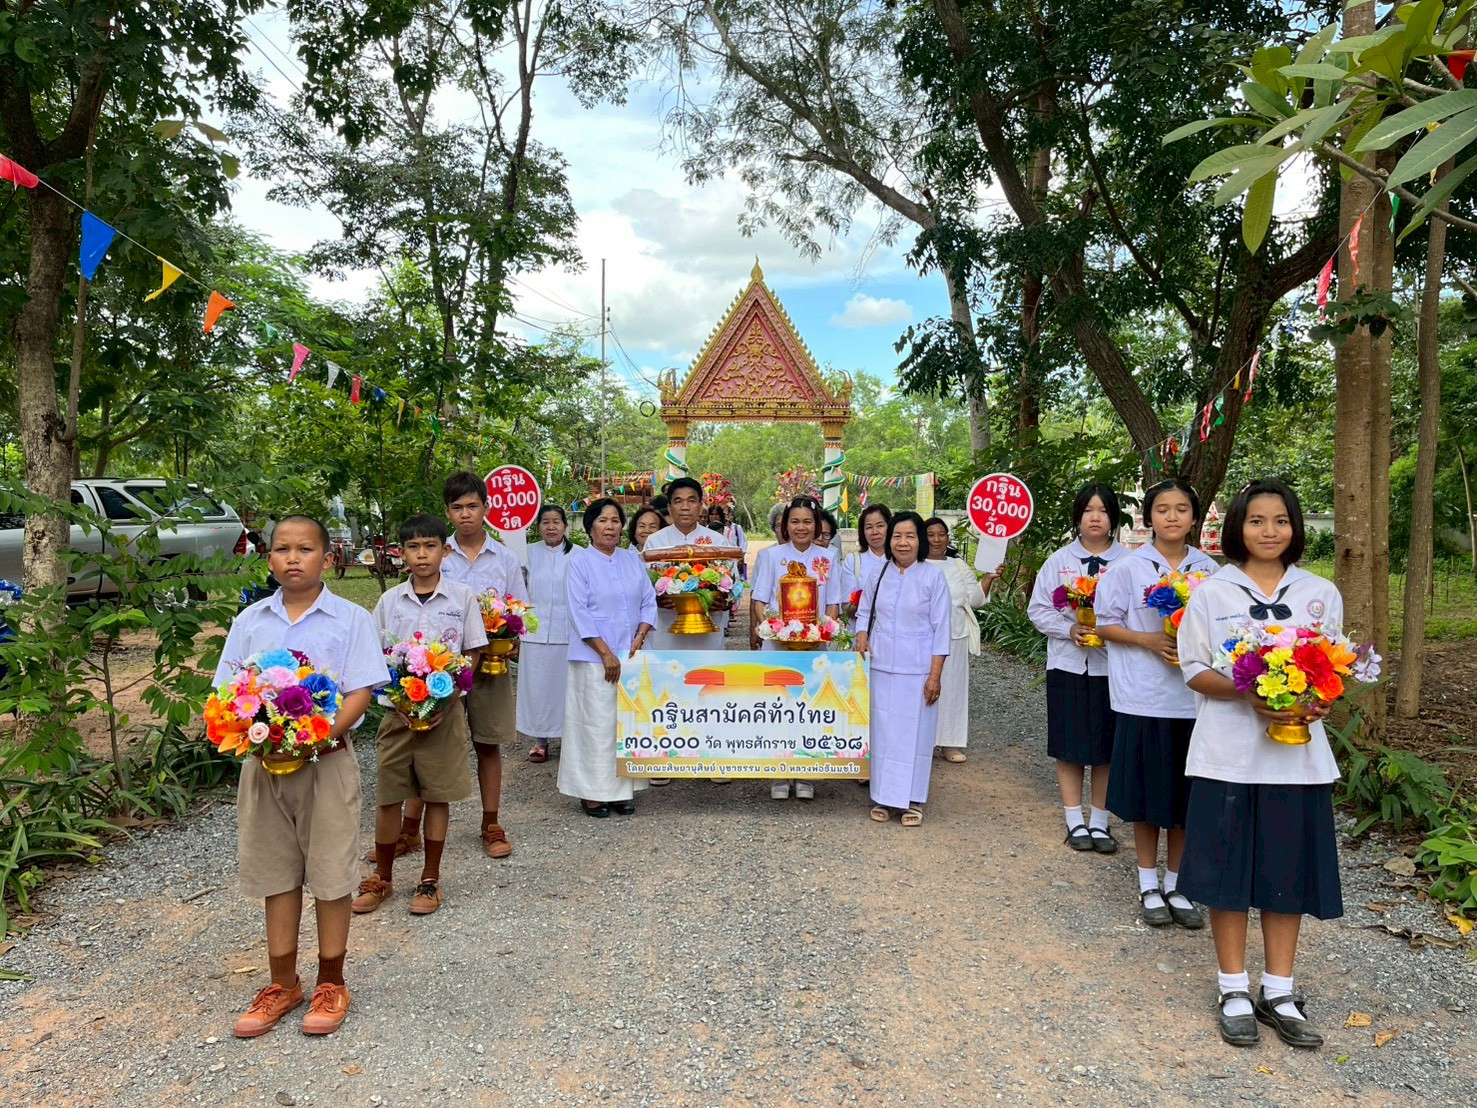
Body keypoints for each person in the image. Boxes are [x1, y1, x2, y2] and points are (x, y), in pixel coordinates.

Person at [1176, 479, 1344, 1050]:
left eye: (1280, 520)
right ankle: (1233, 988)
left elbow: (1332, 668)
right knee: (1226, 875)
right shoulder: (1213, 593)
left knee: (1285, 874)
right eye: (1256, 521)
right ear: (1237, 528)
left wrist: (1319, 698)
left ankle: (1279, 991)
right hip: (1227, 757)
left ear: (1295, 527)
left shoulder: (1320, 592)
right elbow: (1194, 670)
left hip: (1296, 760)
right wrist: (1248, 692)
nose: (1269, 531)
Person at [219, 515, 390, 1039]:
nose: (293, 558)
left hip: (325, 761)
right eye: (282, 549)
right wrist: (252, 730)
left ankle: (331, 981)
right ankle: (282, 983)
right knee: (276, 872)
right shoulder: (251, 621)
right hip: (264, 764)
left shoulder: (350, 619)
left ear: (327, 557)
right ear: (268, 558)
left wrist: (316, 735)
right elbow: (227, 691)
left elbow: (360, 691)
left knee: (332, 872)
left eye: (306, 549)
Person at [1094, 479, 1218, 930]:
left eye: (1181, 509)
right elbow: (1104, 625)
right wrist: (1149, 640)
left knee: (1184, 799)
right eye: (1162, 509)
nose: (1172, 516)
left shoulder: (1210, 571)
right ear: (1148, 517)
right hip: (1144, 697)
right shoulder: (1128, 568)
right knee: (1147, 796)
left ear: (1194, 517)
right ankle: (1148, 882)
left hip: (1193, 700)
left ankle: (1177, 883)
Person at [353, 516, 485, 919]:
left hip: (444, 716)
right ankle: (382, 877)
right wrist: (394, 699)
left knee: (437, 793)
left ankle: (430, 877)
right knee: (390, 795)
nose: (422, 554)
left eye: (430, 546)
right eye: (413, 547)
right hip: (397, 716)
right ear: (402, 554)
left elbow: (473, 652)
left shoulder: (462, 598)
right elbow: (373, 656)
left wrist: (451, 698)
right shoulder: (390, 602)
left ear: (445, 550)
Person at [1027, 483, 1128, 854]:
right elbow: (1038, 609)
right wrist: (1068, 629)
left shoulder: (1129, 563)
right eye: (1087, 510)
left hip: (1113, 668)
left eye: (1102, 510)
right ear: (1078, 517)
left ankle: (1100, 821)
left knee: (1106, 746)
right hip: (1068, 664)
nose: (1095, 517)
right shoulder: (1059, 561)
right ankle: (1074, 820)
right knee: (1069, 744)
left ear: (1113, 517)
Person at [438, 469, 528, 860]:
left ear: (486, 508)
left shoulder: (504, 557)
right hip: (442, 667)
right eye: (457, 507)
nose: (465, 514)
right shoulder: (438, 554)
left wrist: (511, 639)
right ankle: (409, 828)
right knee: (431, 744)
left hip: (491, 663)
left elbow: (520, 608)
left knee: (487, 743)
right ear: (447, 512)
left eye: (472, 506)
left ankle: (491, 823)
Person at [558, 499, 657, 817]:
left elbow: (648, 600)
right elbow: (579, 612)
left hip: (632, 655)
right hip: (593, 659)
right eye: (603, 520)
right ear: (590, 527)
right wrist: (606, 653)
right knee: (596, 726)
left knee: (628, 724)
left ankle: (622, 791)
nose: (610, 526)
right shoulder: (579, 563)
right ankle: (593, 793)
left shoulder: (632, 560)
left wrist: (641, 635)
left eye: (615, 520)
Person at [857, 511, 951, 826]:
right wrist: (861, 636)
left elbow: (942, 629)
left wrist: (935, 676)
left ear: (919, 540)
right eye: (897, 536)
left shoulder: (932, 576)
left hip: (918, 671)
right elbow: (864, 612)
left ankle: (912, 800)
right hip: (881, 666)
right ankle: (883, 797)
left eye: (910, 536)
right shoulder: (879, 572)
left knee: (915, 736)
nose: (903, 542)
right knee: (883, 734)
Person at [749, 496, 842, 800]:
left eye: (807, 522)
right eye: (795, 521)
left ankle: (806, 774)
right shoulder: (771, 556)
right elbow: (760, 600)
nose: (801, 527)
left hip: (814, 645)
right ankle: (777, 774)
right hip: (778, 646)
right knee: (778, 706)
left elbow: (833, 602)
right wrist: (771, 627)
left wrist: (823, 629)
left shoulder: (829, 557)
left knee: (810, 706)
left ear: (817, 526)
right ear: (785, 525)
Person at [924, 516, 994, 764]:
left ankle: (949, 742)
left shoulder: (958, 566)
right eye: (930, 534)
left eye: (941, 534)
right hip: (922, 638)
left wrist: (988, 578)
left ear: (947, 538)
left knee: (952, 690)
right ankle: (922, 742)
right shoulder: (915, 565)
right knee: (921, 690)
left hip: (955, 636)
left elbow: (974, 600)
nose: (936, 539)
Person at [645, 476, 730, 652]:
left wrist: (724, 601)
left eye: (691, 501)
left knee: (708, 669)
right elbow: (643, 588)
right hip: (667, 629)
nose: (685, 507)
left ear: (700, 505)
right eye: (678, 501)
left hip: (708, 630)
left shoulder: (718, 541)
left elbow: (731, 584)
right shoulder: (655, 541)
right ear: (670, 507)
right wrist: (657, 598)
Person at [519, 505, 574, 763]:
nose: (551, 527)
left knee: (566, 688)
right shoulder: (527, 554)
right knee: (538, 689)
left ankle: (571, 741)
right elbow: (515, 587)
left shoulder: (580, 554)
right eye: (545, 522)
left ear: (565, 526)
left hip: (569, 632)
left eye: (556, 522)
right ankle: (540, 741)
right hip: (535, 632)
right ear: (538, 526)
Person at [841, 504, 891, 636]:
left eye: (880, 525)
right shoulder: (853, 560)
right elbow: (846, 607)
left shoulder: (899, 560)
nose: (875, 532)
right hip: (859, 634)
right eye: (869, 527)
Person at [708, 504, 749, 577]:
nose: (714, 516)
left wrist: (740, 558)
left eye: (716, 514)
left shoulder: (729, 531)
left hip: (728, 564)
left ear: (721, 515)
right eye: (711, 514)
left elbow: (738, 546)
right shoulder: (705, 529)